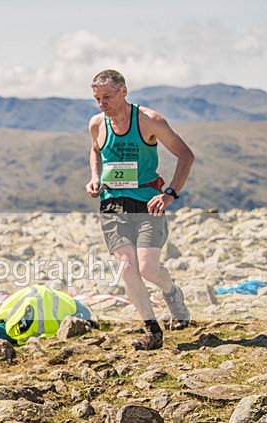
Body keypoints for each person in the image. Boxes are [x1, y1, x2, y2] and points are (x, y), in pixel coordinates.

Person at [85, 70, 193, 350]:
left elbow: (185, 155)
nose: (102, 104)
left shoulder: (148, 120)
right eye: (97, 98)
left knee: (148, 269)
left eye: (107, 97)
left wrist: (170, 193)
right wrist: (95, 177)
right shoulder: (97, 124)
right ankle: (152, 330)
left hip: (148, 201)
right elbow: (95, 151)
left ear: (124, 91)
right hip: (112, 203)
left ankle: (172, 293)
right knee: (127, 268)